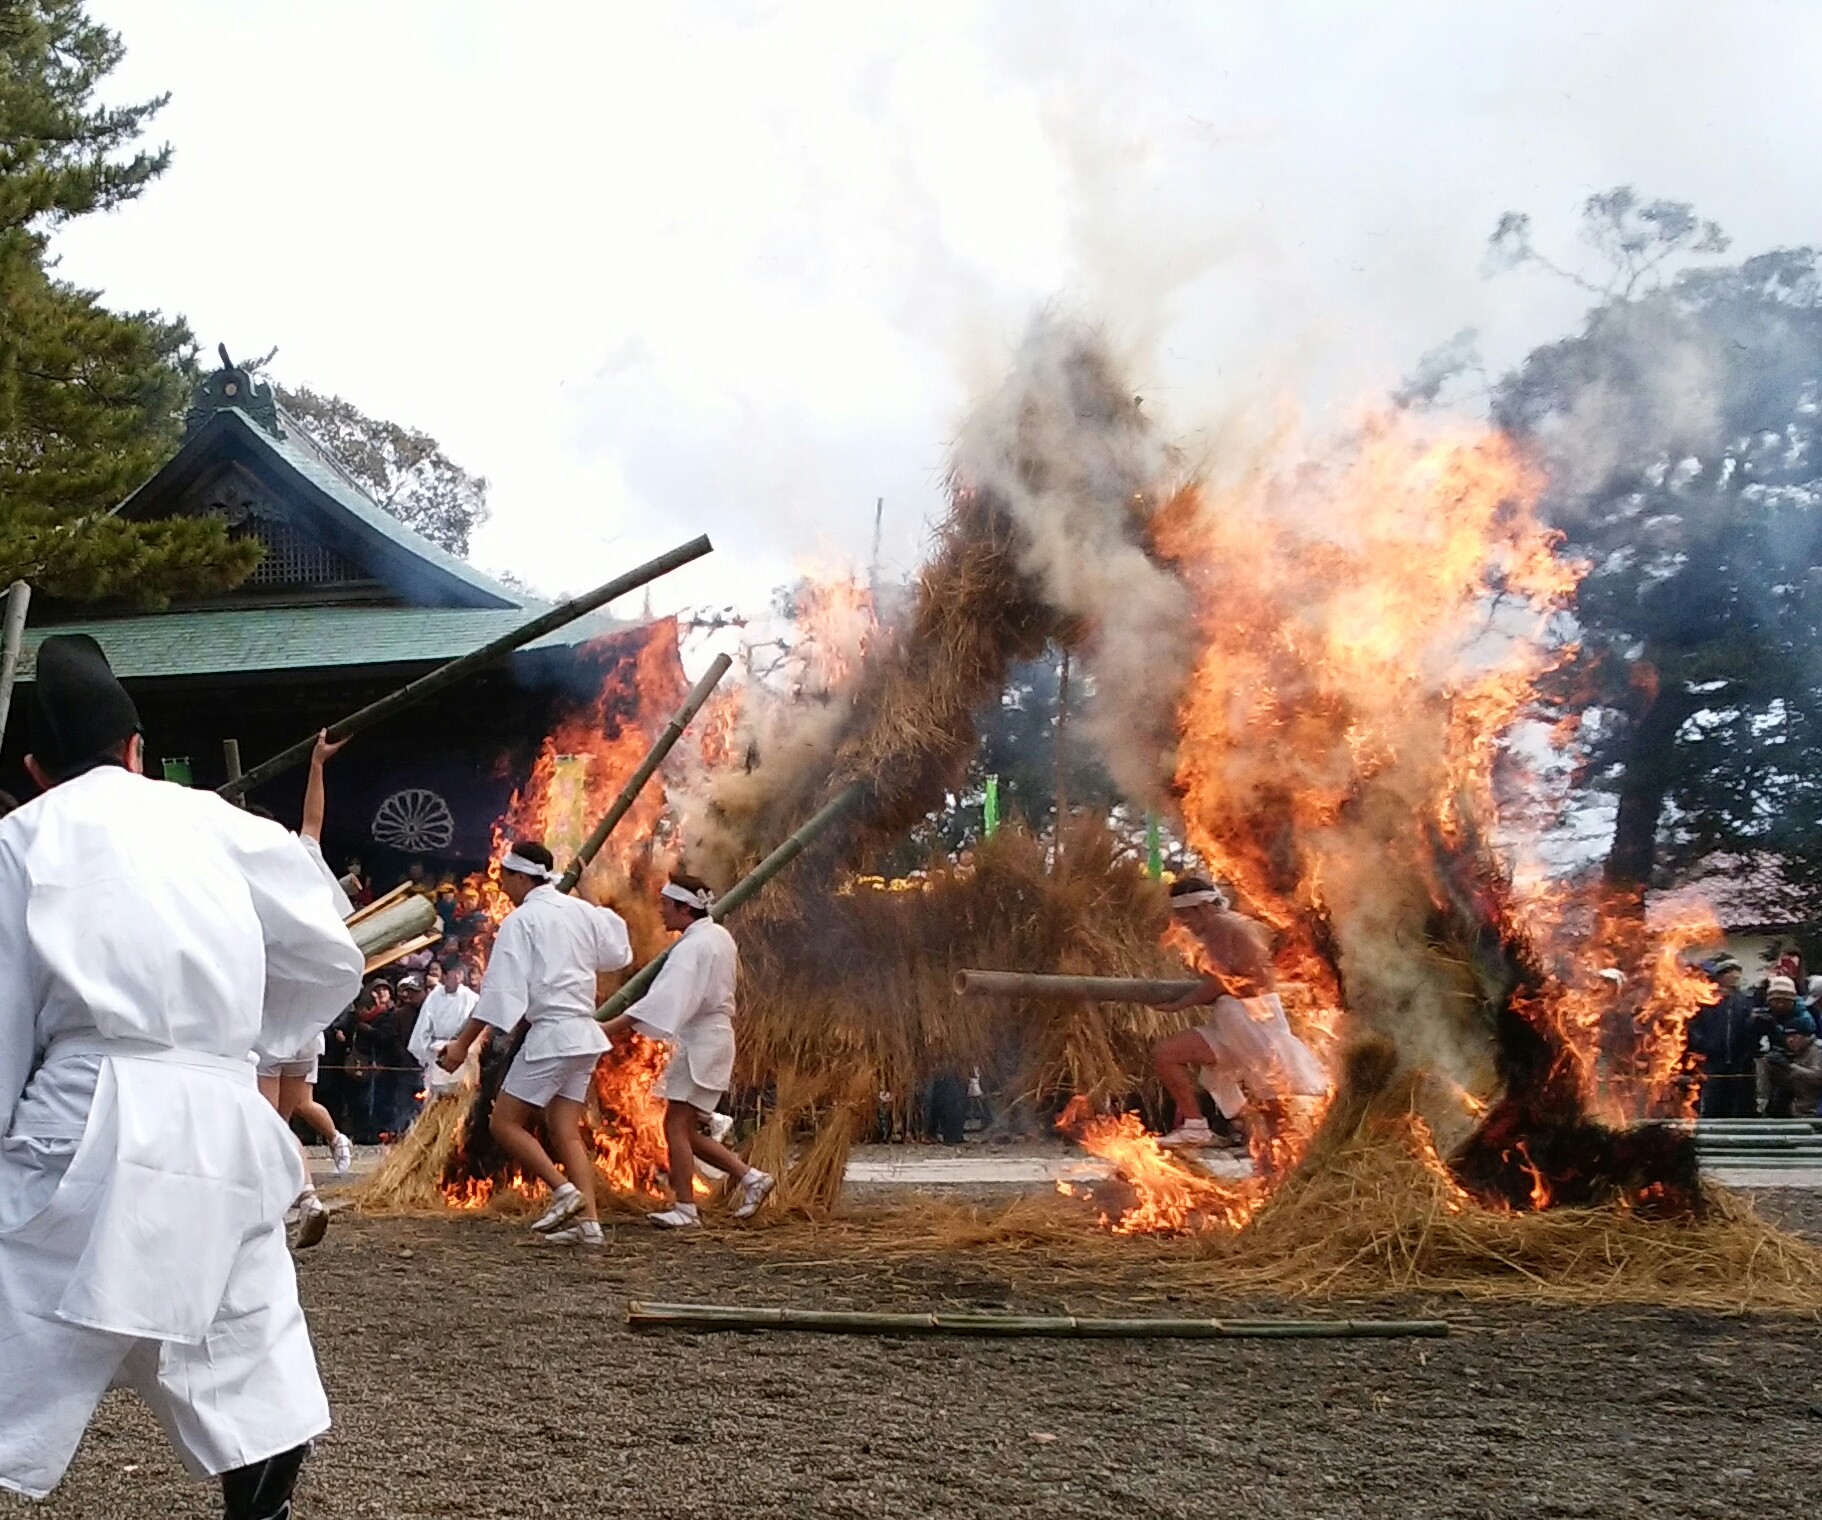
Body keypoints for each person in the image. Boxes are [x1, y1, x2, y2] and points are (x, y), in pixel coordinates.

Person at [0, 634, 365, 1513]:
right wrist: (240, 1035)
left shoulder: (21, 837)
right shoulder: (221, 822)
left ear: (36, 770)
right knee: (248, 1339)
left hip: (86, 1104)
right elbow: (327, 950)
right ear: (136, 749)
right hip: (224, 1110)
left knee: (17, 1308)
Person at [437, 842, 631, 1247]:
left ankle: (565, 1192)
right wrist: (591, 896)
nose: (503, 886)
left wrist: (461, 1045)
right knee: (564, 1128)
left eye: (506, 877)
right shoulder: (579, 910)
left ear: (521, 877)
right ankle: (589, 1225)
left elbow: (500, 994)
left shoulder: (522, 920)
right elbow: (618, 952)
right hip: (584, 1034)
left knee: (504, 1123)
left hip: (554, 1035)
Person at [602, 873, 774, 1228]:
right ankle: (751, 1177)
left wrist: (608, 1027)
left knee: (675, 1126)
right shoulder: (719, 936)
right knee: (685, 1129)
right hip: (712, 1038)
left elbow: (663, 1000)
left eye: (666, 905)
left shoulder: (692, 947)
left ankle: (685, 1207)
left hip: (702, 1042)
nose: (661, 911)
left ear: (684, 908)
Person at [257, 729, 358, 1245]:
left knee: (267, 1120)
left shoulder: (253, 880)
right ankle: (298, 1197)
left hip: (270, 1019)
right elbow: (313, 820)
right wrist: (317, 764)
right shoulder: (304, 857)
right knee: (283, 1117)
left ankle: (300, 1195)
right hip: (310, 1021)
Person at [1149, 878, 1329, 1150]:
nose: (1185, 924)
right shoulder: (1231, 924)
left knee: (1271, 1094)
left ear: (1202, 907)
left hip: (1252, 1019)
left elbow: (1222, 979)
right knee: (1166, 1054)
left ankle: (1285, 1150)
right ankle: (1196, 1126)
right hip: (1234, 1021)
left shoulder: (1220, 924)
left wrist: (1180, 1004)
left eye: (1186, 915)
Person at [1687, 957, 1759, 1118]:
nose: (1735, 975)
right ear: (1719, 976)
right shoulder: (1707, 1000)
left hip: (1740, 1061)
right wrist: (1704, 1045)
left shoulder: (1745, 1001)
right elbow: (1694, 1026)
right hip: (1713, 1061)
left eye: (1737, 971)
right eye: (1729, 971)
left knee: (1740, 1105)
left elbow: (1750, 1031)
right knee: (1713, 1103)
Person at [410, 956, 484, 1098]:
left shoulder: (472, 998)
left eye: (458, 974)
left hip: (464, 1055)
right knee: (440, 1097)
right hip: (438, 1054)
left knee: (462, 1097)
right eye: (451, 974)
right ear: (443, 976)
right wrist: (426, 1056)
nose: (456, 978)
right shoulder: (434, 996)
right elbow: (422, 1028)